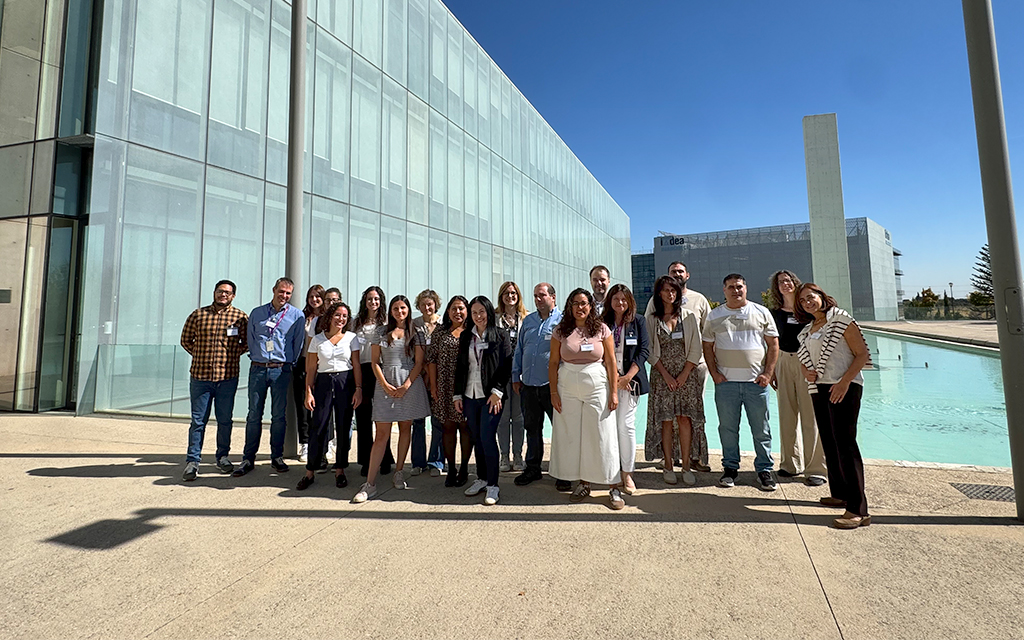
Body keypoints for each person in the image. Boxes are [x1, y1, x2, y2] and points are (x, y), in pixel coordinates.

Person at [795, 283, 873, 529]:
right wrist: (806, 371)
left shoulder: (840, 320)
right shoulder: (808, 329)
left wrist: (844, 382)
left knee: (845, 443)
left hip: (844, 387)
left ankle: (858, 509)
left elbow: (861, 354)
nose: (808, 302)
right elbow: (807, 361)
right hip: (820, 388)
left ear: (821, 296)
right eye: (803, 301)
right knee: (829, 441)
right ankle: (840, 493)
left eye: (811, 297)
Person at [702, 274, 780, 491]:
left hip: (756, 383)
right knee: (728, 429)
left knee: (761, 429)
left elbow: (774, 345)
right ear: (724, 290)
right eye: (730, 287)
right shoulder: (715, 316)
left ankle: (764, 470)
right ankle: (730, 469)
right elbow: (707, 346)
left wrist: (768, 373)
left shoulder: (761, 312)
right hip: (726, 384)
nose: (735, 291)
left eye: (739, 287)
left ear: (746, 288)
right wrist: (714, 373)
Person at [353, 295, 432, 503]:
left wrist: (406, 385)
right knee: (381, 434)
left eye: (403, 308)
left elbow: (419, 363)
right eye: (396, 308)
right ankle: (369, 483)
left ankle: (399, 471)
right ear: (391, 311)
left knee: (406, 428)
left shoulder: (416, 332)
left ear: (408, 310)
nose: (400, 312)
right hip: (385, 384)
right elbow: (375, 362)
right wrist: (384, 384)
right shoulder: (381, 331)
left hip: (409, 384)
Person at [549, 288, 623, 510]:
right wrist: (553, 392)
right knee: (574, 435)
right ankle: (583, 483)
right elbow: (553, 363)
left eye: (584, 303)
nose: (580, 307)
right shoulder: (560, 331)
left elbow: (610, 362)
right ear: (569, 307)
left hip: (596, 386)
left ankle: (614, 486)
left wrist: (614, 392)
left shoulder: (601, 329)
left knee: (602, 434)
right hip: (567, 387)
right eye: (575, 303)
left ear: (591, 306)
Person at [234, 277, 306, 477]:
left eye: (288, 293)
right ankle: (248, 458)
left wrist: (286, 364)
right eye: (281, 291)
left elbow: (298, 344)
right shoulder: (257, 313)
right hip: (257, 369)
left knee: (278, 416)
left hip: (280, 370)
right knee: (254, 414)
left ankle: (276, 456)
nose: (284, 296)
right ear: (274, 290)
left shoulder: (296, 316)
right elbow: (250, 339)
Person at [645, 261, 712, 472]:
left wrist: (685, 373)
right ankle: (668, 461)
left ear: (686, 275)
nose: (670, 294)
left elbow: (702, 339)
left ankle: (691, 460)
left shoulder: (694, 308)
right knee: (666, 419)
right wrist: (665, 375)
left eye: (673, 290)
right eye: (666, 290)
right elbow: (649, 348)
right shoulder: (653, 315)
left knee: (688, 417)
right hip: (662, 374)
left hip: (690, 371)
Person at [179, 279, 249, 481]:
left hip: (227, 377)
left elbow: (246, 343)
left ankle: (223, 457)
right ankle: (193, 461)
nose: (223, 295)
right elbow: (185, 340)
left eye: (227, 293)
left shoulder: (240, 317)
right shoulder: (198, 314)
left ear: (233, 296)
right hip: (200, 377)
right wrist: (201, 354)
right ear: (214, 292)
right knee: (198, 421)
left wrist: (231, 356)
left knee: (225, 420)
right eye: (220, 291)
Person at [767, 270, 827, 487]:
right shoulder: (774, 313)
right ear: (777, 287)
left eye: (788, 280)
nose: (785, 284)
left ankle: (816, 468)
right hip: (783, 361)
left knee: (810, 416)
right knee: (787, 414)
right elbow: (771, 343)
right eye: (781, 282)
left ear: (795, 282)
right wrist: (771, 369)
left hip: (808, 363)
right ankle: (790, 464)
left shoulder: (808, 310)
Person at [296, 302, 362, 491]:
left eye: (344, 316)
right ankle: (310, 471)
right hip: (323, 383)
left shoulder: (351, 338)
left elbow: (356, 365)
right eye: (338, 315)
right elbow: (310, 368)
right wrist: (308, 391)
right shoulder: (317, 339)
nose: (341, 319)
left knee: (343, 426)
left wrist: (358, 388)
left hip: (345, 382)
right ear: (330, 316)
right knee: (319, 425)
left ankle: (340, 469)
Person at [454, 296, 513, 505]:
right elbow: (461, 368)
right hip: (470, 395)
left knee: (488, 438)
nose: (478, 316)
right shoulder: (465, 337)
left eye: (482, 311)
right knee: (476, 437)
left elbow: (506, 367)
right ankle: (481, 478)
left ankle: (493, 485)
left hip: (491, 396)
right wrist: (457, 395)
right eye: (474, 313)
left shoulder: (500, 335)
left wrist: (498, 391)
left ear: (489, 312)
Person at [511, 283, 565, 489]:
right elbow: (520, 349)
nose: (538, 299)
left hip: (553, 386)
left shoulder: (562, 322)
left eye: (542, 295)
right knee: (532, 428)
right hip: (529, 385)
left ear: (553, 296)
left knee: (560, 430)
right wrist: (516, 374)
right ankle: (533, 468)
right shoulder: (529, 321)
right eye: (535, 296)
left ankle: (563, 471)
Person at [601, 284, 649, 495]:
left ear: (629, 301)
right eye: (615, 299)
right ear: (609, 301)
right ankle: (610, 470)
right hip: (606, 382)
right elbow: (598, 352)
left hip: (630, 383)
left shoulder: (638, 321)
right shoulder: (602, 323)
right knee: (608, 427)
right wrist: (614, 379)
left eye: (624, 299)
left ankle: (627, 473)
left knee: (626, 427)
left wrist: (627, 377)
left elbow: (643, 350)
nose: (620, 303)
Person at [427, 296, 473, 487]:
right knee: (447, 428)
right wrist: (434, 387)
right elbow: (431, 360)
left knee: (465, 428)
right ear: (447, 312)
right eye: (454, 308)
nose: (458, 312)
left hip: (467, 387)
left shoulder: (472, 332)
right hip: (444, 386)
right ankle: (451, 468)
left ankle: (464, 468)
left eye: (461, 308)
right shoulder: (440, 332)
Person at [350, 286, 394, 477]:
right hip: (361, 370)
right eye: (369, 299)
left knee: (382, 418)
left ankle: (385, 459)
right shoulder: (355, 323)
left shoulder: (386, 322)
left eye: (376, 299)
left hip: (381, 370)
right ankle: (366, 461)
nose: (373, 302)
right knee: (363, 417)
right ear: (364, 301)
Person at [411, 289, 445, 477]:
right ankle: (418, 462)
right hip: (418, 376)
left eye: (430, 304)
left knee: (438, 420)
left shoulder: (443, 323)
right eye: (423, 304)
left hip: (439, 377)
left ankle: (436, 461)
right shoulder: (414, 324)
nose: (427, 307)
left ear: (435, 304)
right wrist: (423, 370)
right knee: (418, 421)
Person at [495, 281, 527, 471]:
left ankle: (517, 455)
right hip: (501, 375)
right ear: (501, 296)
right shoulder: (495, 319)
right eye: (506, 293)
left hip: (521, 375)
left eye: (513, 293)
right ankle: (504, 456)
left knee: (519, 417)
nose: (510, 296)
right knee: (503, 417)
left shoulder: (527, 317)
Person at [294, 284, 325, 465]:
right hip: (303, 363)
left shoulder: (328, 318)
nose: (314, 300)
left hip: (323, 367)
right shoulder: (302, 317)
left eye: (317, 296)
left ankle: (324, 443)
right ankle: (304, 442)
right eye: (311, 296)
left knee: (322, 406)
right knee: (303, 406)